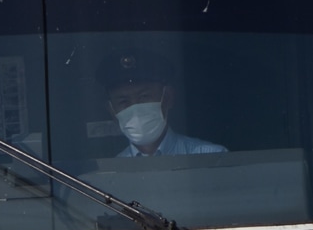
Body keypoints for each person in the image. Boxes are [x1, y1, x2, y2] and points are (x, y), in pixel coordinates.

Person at [96, 49, 226, 157]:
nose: (135, 107)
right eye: (124, 101)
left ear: (168, 97)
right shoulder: (112, 171)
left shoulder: (211, 157)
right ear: (112, 111)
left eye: (144, 96)